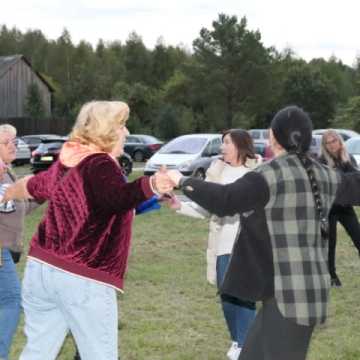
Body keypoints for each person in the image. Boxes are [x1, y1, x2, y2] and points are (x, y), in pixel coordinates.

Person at [165, 106, 360, 360]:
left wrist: (181, 180)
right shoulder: (325, 175)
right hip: (297, 292)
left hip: (290, 301)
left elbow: (226, 200)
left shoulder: (268, 176)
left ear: (273, 138)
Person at [1, 101, 171, 360]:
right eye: (122, 125)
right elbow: (116, 197)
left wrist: (11, 191)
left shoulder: (69, 158)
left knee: (38, 352)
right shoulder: (100, 163)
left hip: (41, 271)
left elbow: (36, 185)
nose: (126, 132)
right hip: (82, 276)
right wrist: (152, 185)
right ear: (108, 130)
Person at [165, 129, 260, 359]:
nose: (222, 147)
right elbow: (206, 206)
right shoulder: (216, 171)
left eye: (226, 143)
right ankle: (237, 341)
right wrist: (179, 206)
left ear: (239, 144)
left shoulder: (257, 172)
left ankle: (248, 345)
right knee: (227, 296)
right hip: (222, 246)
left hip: (247, 246)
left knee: (244, 297)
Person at [0, 124, 40, 360]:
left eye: (14, 141)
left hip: (8, 252)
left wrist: (43, 191)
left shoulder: (8, 174)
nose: (13, 146)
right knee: (12, 300)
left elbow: (20, 209)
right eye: (7, 143)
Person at [319, 129, 360, 287]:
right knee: (330, 243)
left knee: (358, 236)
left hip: (345, 206)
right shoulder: (321, 161)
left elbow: (356, 178)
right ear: (325, 145)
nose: (331, 145)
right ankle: (332, 276)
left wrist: (341, 178)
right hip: (329, 208)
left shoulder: (347, 159)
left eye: (333, 141)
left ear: (339, 141)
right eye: (328, 143)